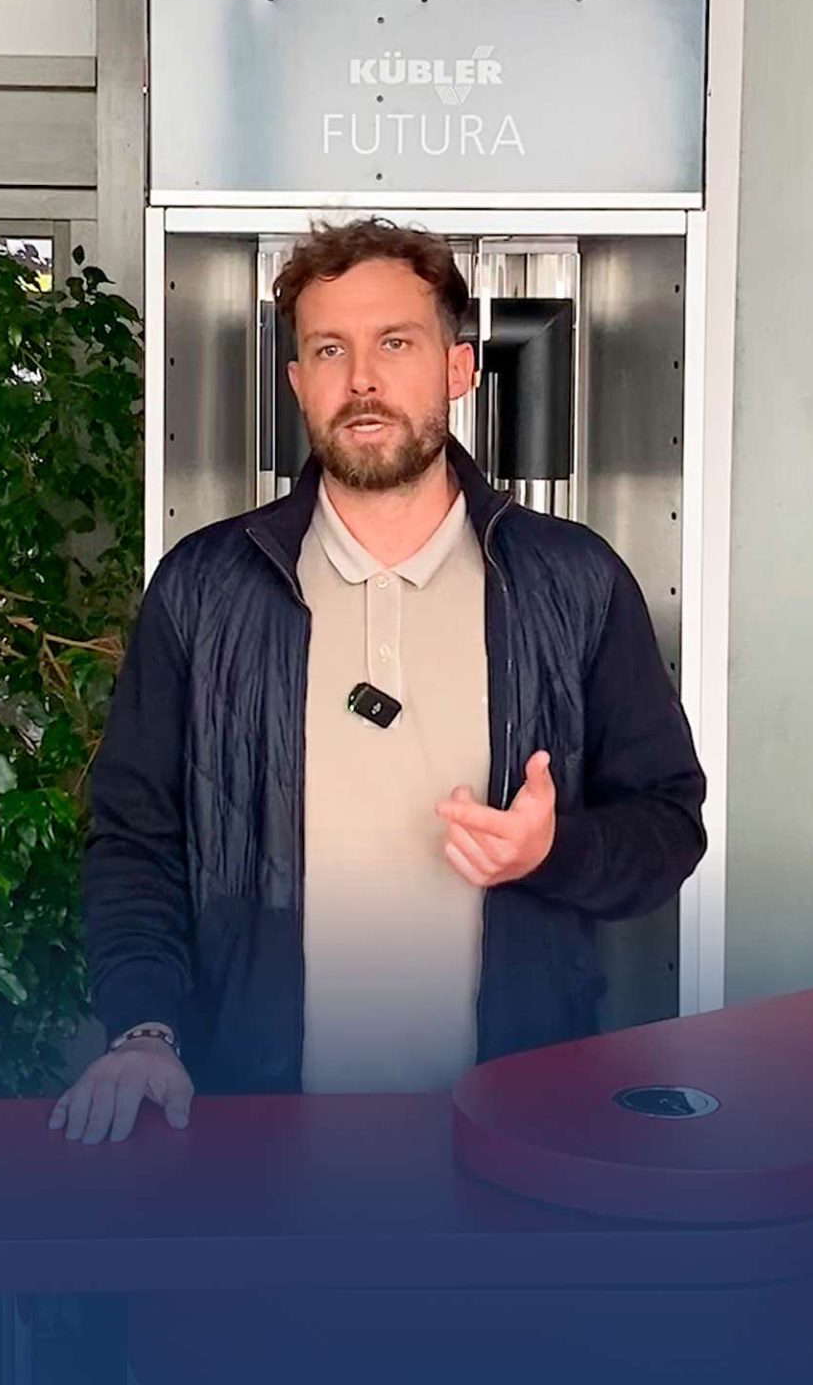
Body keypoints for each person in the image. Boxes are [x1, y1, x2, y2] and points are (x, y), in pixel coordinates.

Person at [49, 218, 706, 1145]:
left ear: (460, 367)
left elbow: (668, 825)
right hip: (259, 1121)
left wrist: (548, 852)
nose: (361, 377)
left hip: (513, 1127)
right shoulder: (203, 588)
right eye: (329, 349)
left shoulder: (574, 582)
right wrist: (146, 1030)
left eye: (395, 342)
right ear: (297, 383)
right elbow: (135, 839)